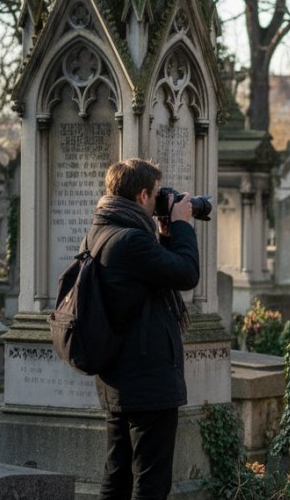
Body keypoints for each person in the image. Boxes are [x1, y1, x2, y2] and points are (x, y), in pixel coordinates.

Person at [91, 159, 200, 500]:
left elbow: (154, 279)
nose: (158, 204)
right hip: (146, 380)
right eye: (155, 196)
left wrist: (165, 236)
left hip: (121, 378)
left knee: (118, 475)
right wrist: (182, 225)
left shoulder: (104, 231)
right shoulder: (129, 241)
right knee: (150, 483)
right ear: (141, 196)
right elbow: (185, 273)